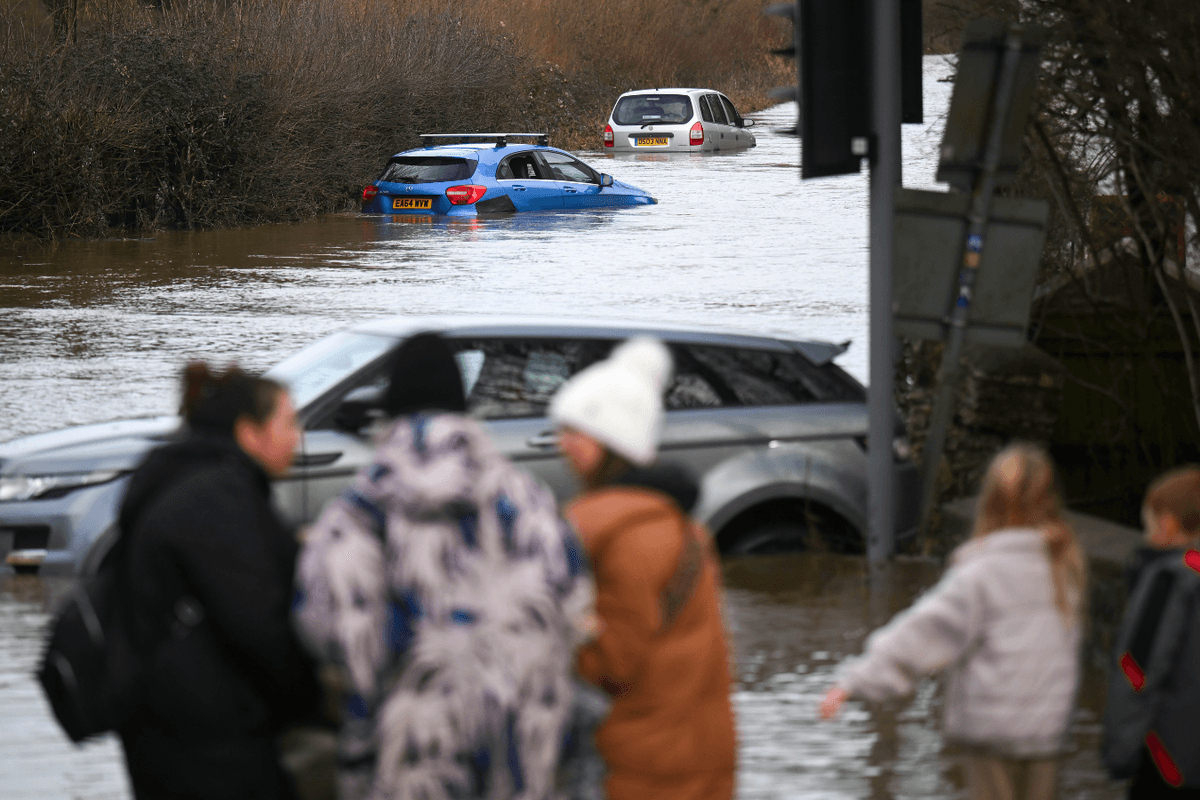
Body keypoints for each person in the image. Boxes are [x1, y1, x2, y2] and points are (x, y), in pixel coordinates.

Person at [292, 332, 596, 800]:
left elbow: (321, 627)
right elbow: (577, 610)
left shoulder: (360, 510)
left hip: (404, 757)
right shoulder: (529, 501)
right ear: (461, 406)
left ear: (390, 407)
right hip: (514, 755)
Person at [820, 443, 1086, 800]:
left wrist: (855, 681)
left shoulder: (982, 572)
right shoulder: (1065, 567)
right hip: (1045, 734)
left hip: (993, 734)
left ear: (988, 502)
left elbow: (926, 631)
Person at [117, 362, 320, 800]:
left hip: (164, 729)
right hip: (210, 742)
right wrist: (312, 703)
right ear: (250, 433)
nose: (297, 436)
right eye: (288, 422)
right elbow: (259, 626)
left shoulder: (179, 476)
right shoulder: (218, 499)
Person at [548, 337, 738, 800]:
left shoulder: (610, 529)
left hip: (641, 767)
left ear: (610, 443)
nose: (561, 444)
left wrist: (556, 629)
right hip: (699, 754)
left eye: (574, 431)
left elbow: (613, 662)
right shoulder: (683, 528)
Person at [1103, 466, 1200, 798]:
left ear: (1168, 523)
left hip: (1169, 765)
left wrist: (1119, 753)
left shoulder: (1172, 578)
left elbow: (1137, 669)